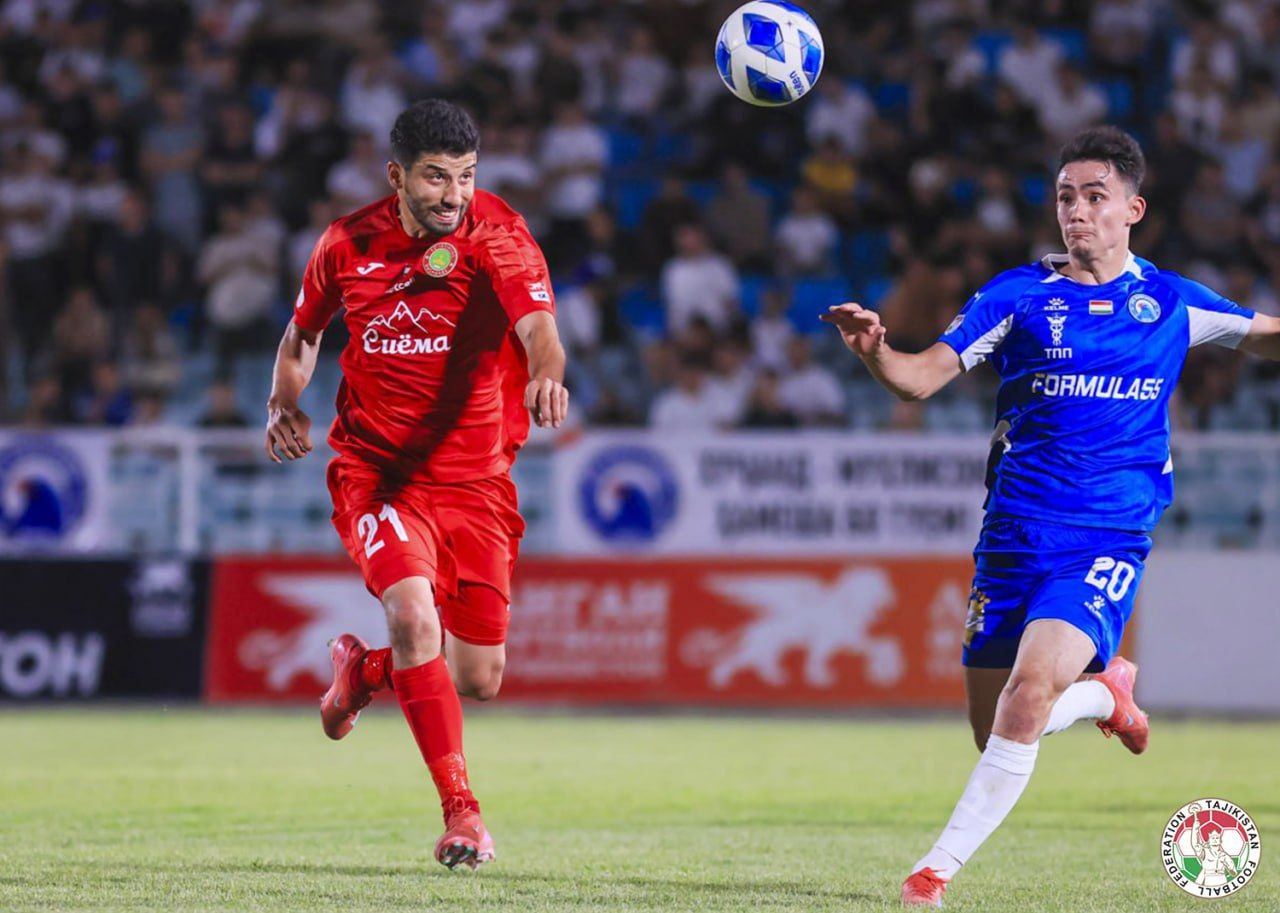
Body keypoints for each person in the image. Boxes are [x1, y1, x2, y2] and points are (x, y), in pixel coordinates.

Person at [820, 126, 1280, 907]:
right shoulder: (1017, 296)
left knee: (1028, 695)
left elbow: (1266, 338)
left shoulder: (1171, 301)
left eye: (1095, 196)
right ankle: (1108, 692)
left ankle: (931, 874)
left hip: (1106, 536)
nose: (1077, 211)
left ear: (1133, 209)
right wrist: (875, 351)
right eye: (1066, 196)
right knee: (996, 729)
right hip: (1013, 536)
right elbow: (920, 378)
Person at [264, 99, 568, 871]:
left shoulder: (499, 234)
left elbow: (540, 330)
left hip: (477, 481)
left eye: (466, 177)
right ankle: (463, 813)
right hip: (380, 473)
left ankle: (362, 671)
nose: (454, 195)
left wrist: (546, 374)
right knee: (411, 614)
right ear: (396, 176)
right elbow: (303, 333)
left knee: (478, 677)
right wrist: (283, 401)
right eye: (436, 178)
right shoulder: (347, 243)